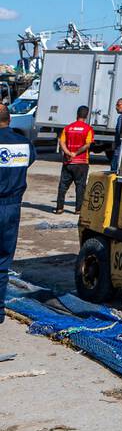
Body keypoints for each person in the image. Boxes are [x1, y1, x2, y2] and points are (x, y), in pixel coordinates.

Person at [0, 102, 35, 324]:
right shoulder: (24, 143)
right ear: (10, 119)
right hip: (12, 207)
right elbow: (29, 161)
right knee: (3, 260)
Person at [55, 105, 94, 214]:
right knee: (80, 186)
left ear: (77, 114)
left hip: (68, 162)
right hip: (82, 163)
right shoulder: (88, 129)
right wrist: (76, 153)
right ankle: (78, 209)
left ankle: (59, 208)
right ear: (86, 116)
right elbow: (87, 145)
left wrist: (68, 153)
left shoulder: (67, 128)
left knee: (63, 186)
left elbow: (61, 142)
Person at [111, 97, 122, 173]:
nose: (116, 107)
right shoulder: (120, 117)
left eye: (118, 105)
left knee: (115, 170)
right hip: (118, 148)